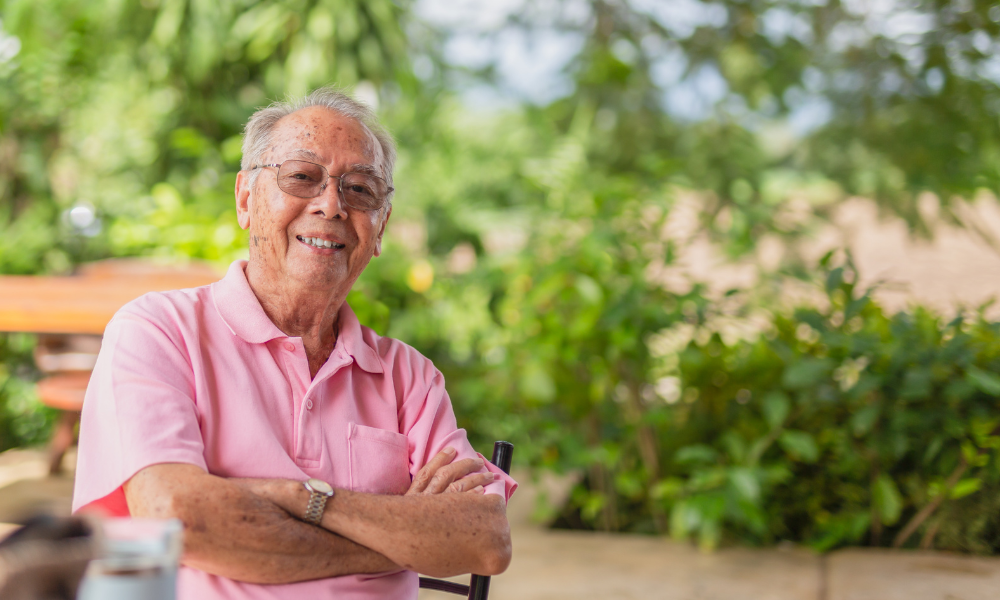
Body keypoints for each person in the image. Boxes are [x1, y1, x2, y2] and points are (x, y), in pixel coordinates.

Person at [71, 87, 516, 600]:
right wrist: (408, 534)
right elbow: (180, 519)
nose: (330, 205)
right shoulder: (158, 330)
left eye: (360, 190)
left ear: (381, 226)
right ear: (245, 199)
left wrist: (302, 501)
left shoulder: (408, 376)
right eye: (302, 177)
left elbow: (485, 538)